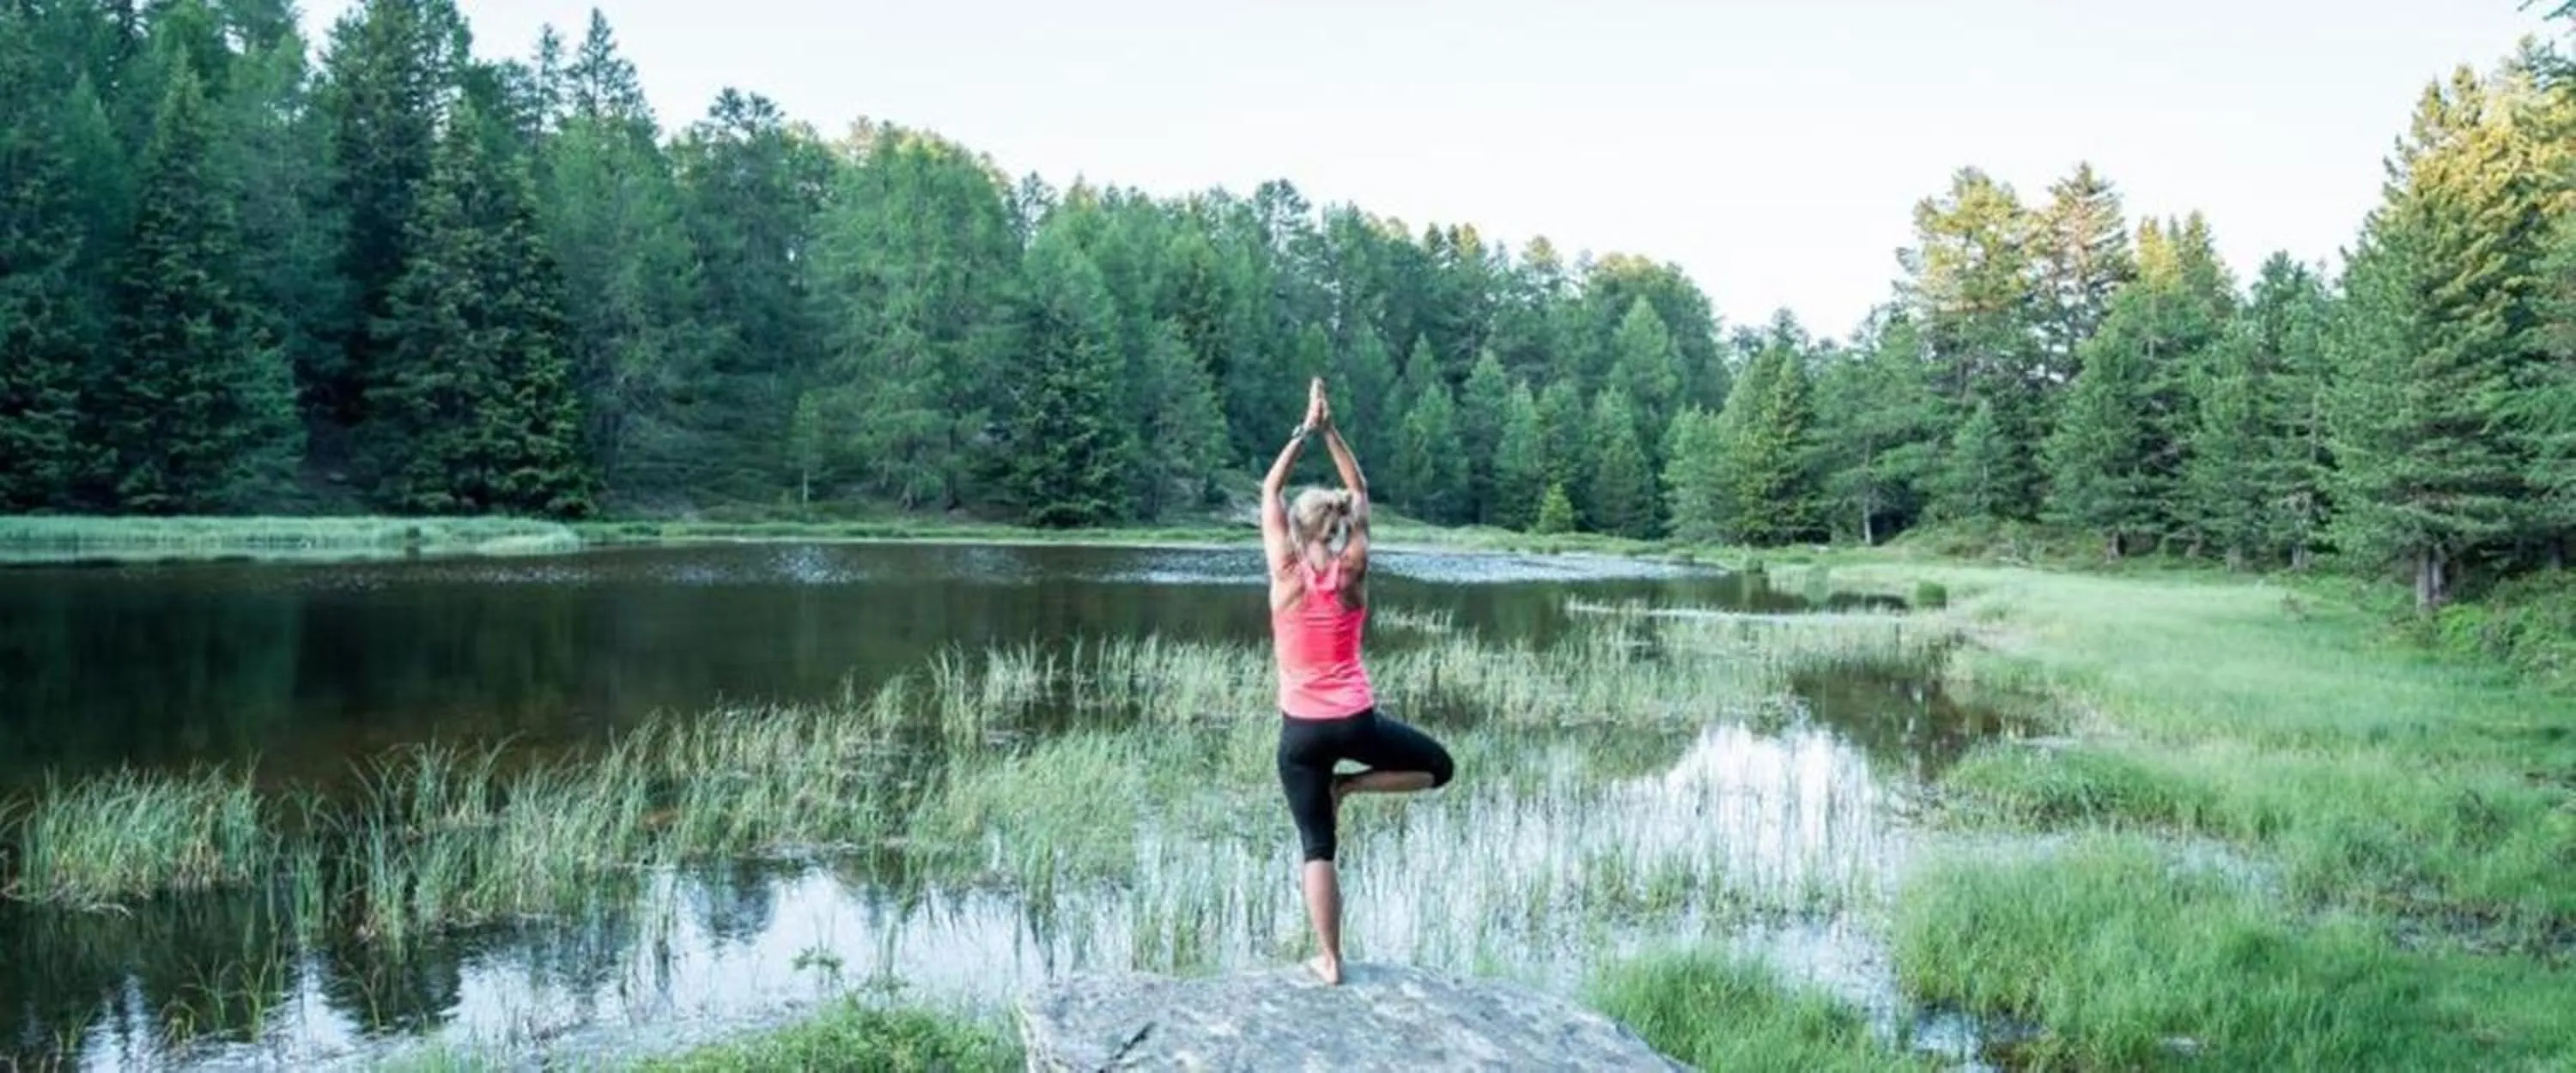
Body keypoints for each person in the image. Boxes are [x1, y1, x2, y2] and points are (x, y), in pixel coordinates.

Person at [1261, 376, 1455, 986]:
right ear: (1338, 530)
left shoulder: (1285, 573)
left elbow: (1269, 488)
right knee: (1438, 769)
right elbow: (1360, 490)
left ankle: (1330, 960)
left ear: (1296, 530)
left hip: (1301, 733)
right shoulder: (1352, 573)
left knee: (1317, 849)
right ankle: (1354, 787)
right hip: (1354, 720)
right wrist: (1332, 429)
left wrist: (1304, 429)